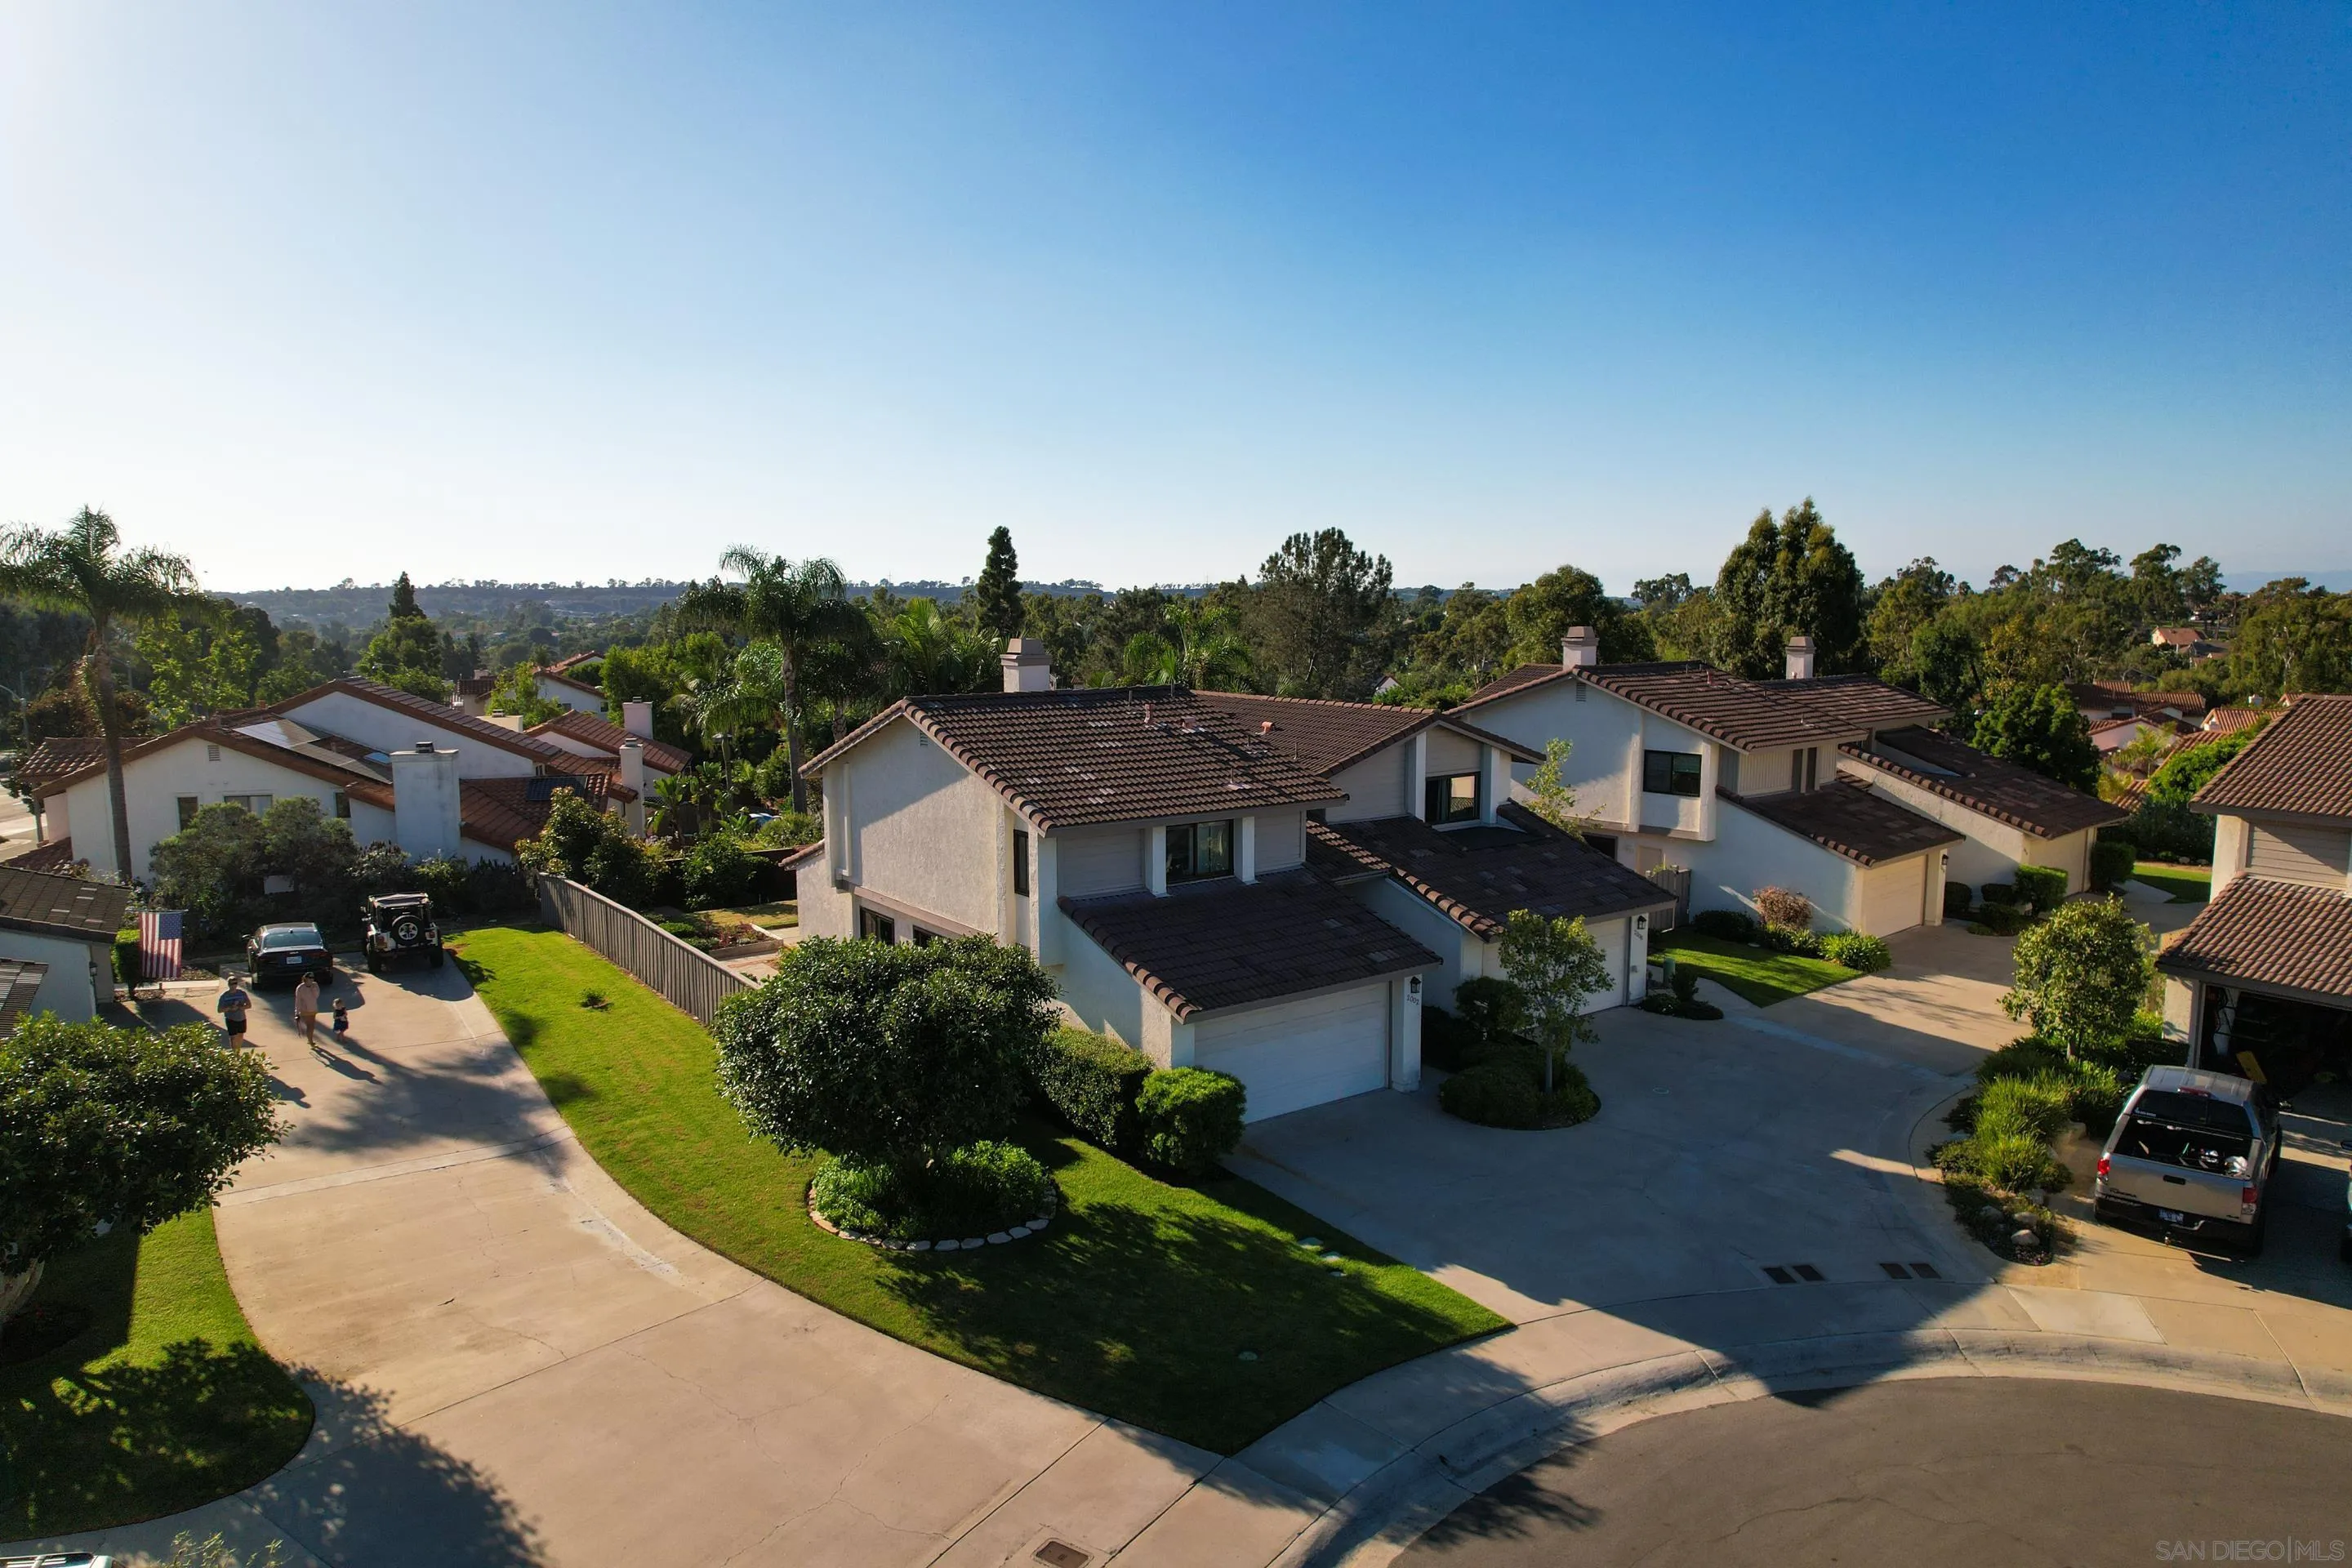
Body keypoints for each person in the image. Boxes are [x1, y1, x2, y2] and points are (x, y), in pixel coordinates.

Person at [216, 973, 252, 1045]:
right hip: (230, 1019)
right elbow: (219, 1010)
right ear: (229, 984)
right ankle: (235, 1054)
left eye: (235, 983)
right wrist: (230, 1008)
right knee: (233, 1037)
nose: (233, 985)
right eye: (232, 984)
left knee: (240, 1036)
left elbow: (249, 1005)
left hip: (241, 1018)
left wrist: (240, 1007)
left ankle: (238, 1052)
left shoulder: (242, 994)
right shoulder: (224, 996)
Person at [293, 970, 322, 1046]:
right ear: (306, 978)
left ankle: (310, 1039)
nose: (312, 979)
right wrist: (297, 1011)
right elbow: (298, 1000)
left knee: (312, 1026)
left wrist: (313, 988)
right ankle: (311, 1041)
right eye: (310, 978)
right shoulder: (300, 988)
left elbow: (316, 996)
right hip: (304, 1009)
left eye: (313, 978)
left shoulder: (315, 985)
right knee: (310, 1026)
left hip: (313, 1008)